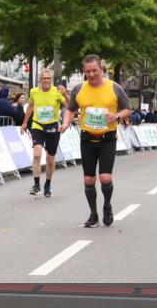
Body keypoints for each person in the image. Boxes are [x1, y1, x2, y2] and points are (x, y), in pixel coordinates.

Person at [61, 54, 132, 227]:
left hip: (107, 138)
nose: (91, 74)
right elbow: (70, 109)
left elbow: (128, 109)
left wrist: (116, 115)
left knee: (105, 178)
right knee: (89, 180)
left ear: (101, 68)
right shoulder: (79, 89)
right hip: (87, 138)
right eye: (87, 71)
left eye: (94, 70)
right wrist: (65, 122)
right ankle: (93, 214)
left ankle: (107, 206)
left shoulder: (114, 87)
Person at [21, 69, 69, 197]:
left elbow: (70, 105)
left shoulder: (57, 92)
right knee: (37, 154)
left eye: (48, 78)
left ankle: (47, 184)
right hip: (38, 125)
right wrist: (25, 122)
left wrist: (65, 94)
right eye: (44, 78)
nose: (46, 80)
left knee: (50, 159)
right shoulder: (34, 92)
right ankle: (36, 185)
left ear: (51, 80)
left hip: (52, 127)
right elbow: (31, 106)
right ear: (40, 80)